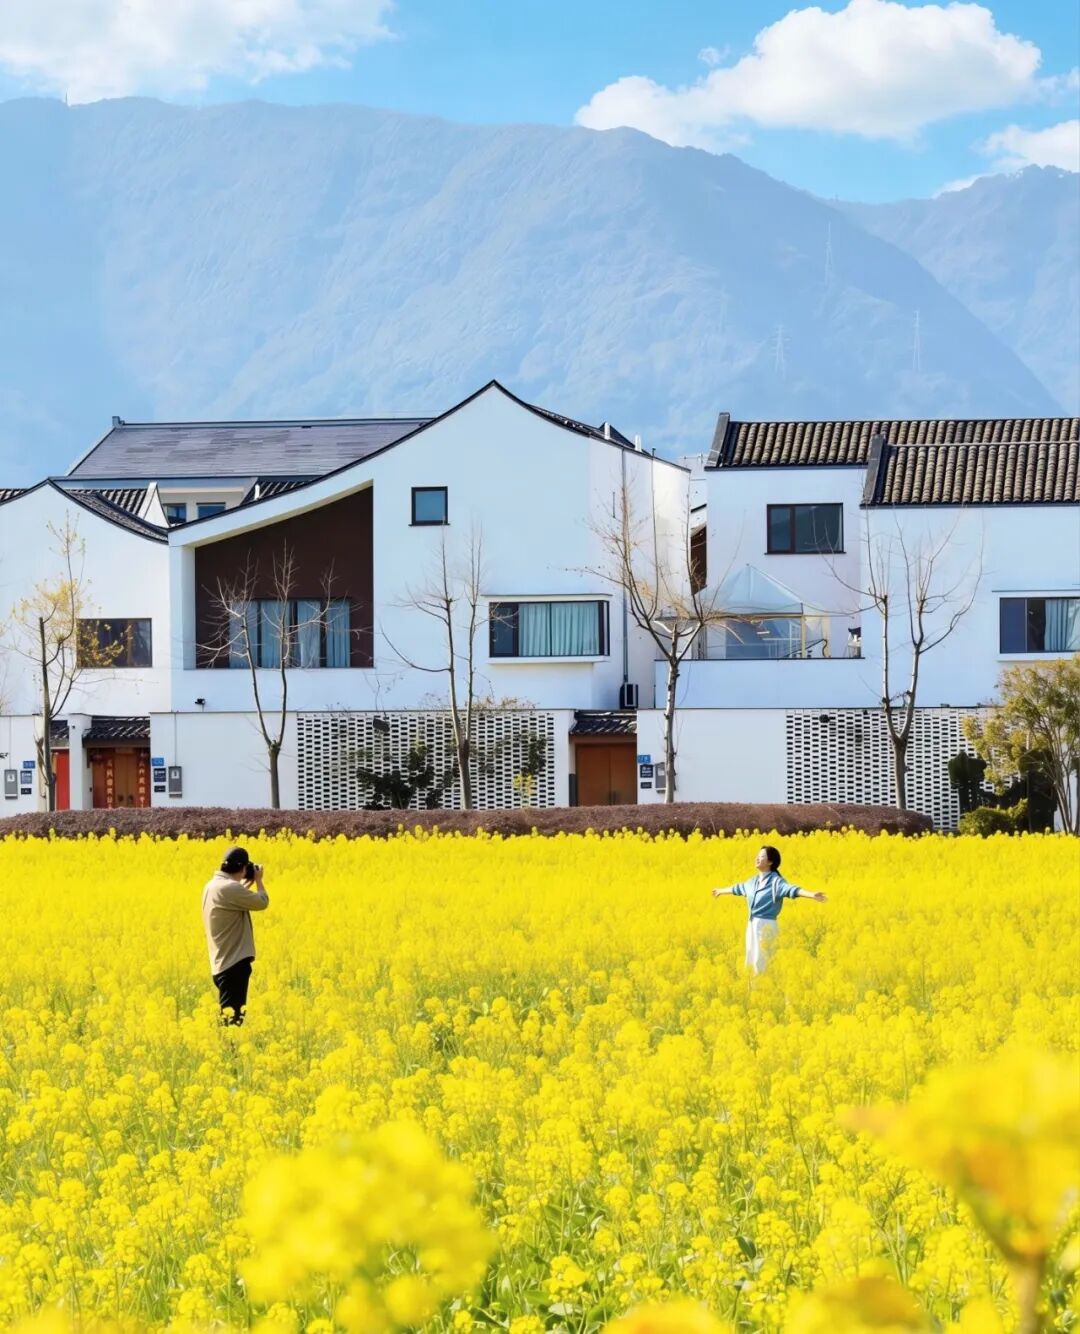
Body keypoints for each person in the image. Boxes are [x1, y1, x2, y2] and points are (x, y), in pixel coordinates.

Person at [711, 844, 826, 974]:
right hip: (752, 924)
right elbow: (738, 888)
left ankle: (764, 985)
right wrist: (721, 891)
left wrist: (811, 895)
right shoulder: (753, 882)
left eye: (761, 856)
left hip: (766, 926)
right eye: (757, 855)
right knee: (750, 960)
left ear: (770, 862)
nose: (757, 858)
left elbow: (791, 890)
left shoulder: (776, 882)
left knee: (762, 962)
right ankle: (752, 987)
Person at [202, 846, 269, 1026]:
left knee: (228, 1018)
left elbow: (235, 898)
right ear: (242, 867)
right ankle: (226, 1045)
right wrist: (259, 880)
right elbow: (262, 902)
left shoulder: (212, 886)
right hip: (234, 964)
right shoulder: (230, 888)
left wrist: (247, 883)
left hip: (221, 963)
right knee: (232, 1023)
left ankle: (224, 1042)